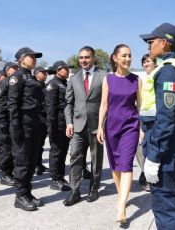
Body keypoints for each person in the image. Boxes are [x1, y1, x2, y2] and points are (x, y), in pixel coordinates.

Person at [139, 22, 175, 229]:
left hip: (163, 144)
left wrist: (154, 155)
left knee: (164, 201)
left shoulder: (168, 71)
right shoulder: (168, 68)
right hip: (167, 139)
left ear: (164, 43)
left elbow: (166, 117)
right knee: (168, 197)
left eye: (151, 42)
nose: (148, 46)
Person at [97, 44, 141, 223]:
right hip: (112, 127)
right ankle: (120, 196)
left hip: (130, 126)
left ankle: (122, 207)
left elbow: (140, 106)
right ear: (115, 58)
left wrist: (142, 128)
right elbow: (104, 105)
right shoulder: (107, 80)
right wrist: (100, 126)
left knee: (126, 164)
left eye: (130, 55)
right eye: (124, 55)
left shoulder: (137, 80)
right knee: (115, 165)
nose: (128, 59)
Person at [63, 46, 106, 206]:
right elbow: (68, 103)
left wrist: (104, 125)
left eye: (87, 57)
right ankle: (75, 191)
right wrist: (69, 122)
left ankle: (94, 188)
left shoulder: (104, 76)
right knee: (75, 158)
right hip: (78, 126)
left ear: (93, 58)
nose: (83, 60)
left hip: (97, 126)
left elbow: (107, 103)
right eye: (81, 57)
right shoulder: (74, 79)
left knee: (96, 160)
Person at [7, 47, 44, 211]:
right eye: (31, 56)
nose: (34, 59)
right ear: (21, 59)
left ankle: (27, 193)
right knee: (22, 161)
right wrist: (16, 127)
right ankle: (20, 196)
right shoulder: (17, 77)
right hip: (23, 124)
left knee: (31, 160)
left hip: (35, 123)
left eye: (35, 57)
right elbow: (13, 104)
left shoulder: (31, 77)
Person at [46, 61, 71, 191]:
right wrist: (51, 127)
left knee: (63, 151)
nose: (68, 71)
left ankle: (60, 176)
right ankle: (55, 179)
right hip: (56, 123)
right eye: (65, 69)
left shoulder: (65, 84)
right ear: (57, 71)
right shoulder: (52, 85)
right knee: (56, 151)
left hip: (65, 123)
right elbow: (50, 108)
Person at [0, 62, 18, 187]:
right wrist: (3, 122)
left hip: (14, 121)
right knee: (6, 149)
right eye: (14, 68)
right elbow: (1, 104)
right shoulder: (4, 84)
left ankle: (11, 172)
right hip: (6, 121)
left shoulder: (15, 82)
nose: (16, 70)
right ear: (8, 70)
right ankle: (5, 175)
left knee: (14, 149)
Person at [136, 54, 155, 192]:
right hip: (143, 117)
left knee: (151, 149)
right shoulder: (141, 79)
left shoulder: (158, 75)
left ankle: (151, 179)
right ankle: (145, 171)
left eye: (148, 61)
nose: (146, 63)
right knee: (139, 148)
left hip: (156, 119)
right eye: (144, 62)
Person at [33, 66, 49, 176]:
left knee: (40, 143)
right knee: (35, 144)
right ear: (37, 74)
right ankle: (34, 165)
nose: (46, 75)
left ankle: (39, 163)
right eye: (43, 73)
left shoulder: (44, 86)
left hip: (44, 118)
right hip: (36, 118)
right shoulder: (33, 86)